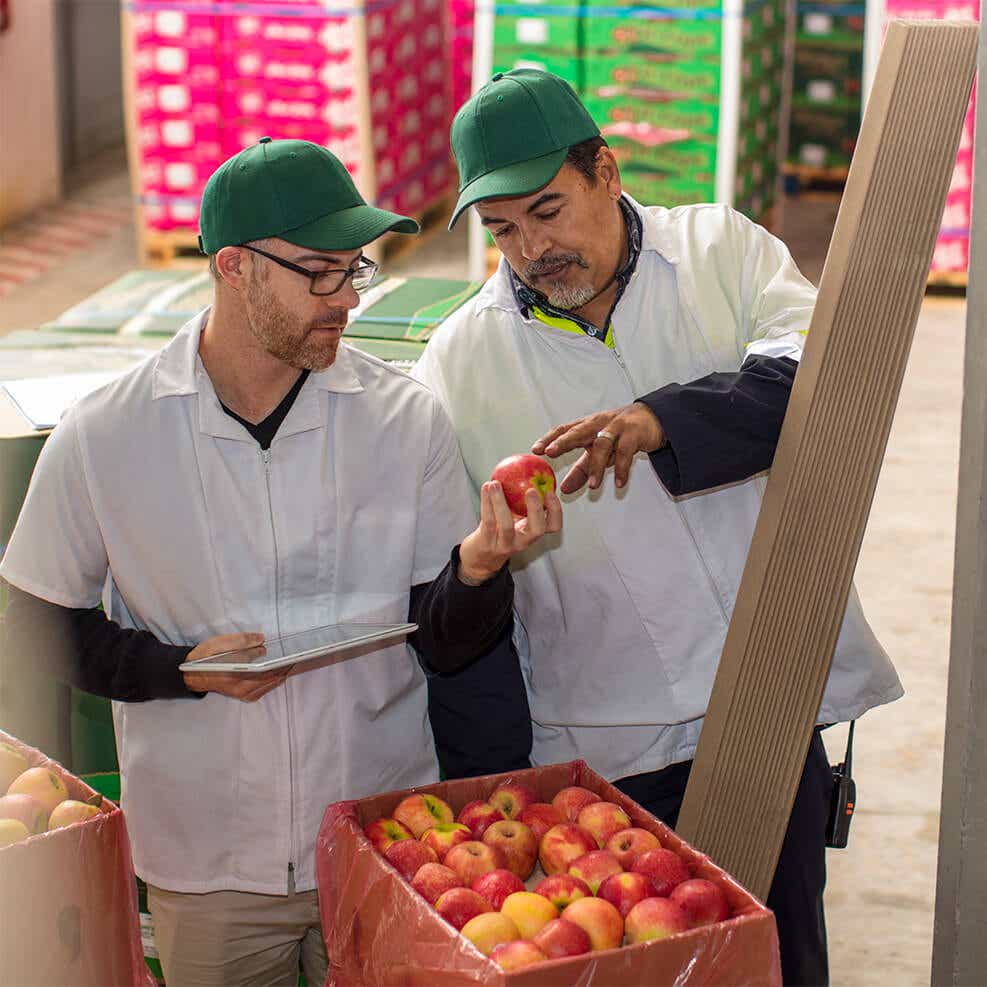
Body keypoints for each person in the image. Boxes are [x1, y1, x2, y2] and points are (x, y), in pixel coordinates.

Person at [0, 137, 562, 987]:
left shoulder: (399, 419)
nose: (342, 298)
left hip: (381, 834)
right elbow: (34, 624)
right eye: (317, 273)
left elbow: (445, 641)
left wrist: (480, 568)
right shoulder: (109, 434)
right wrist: (174, 669)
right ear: (233, 267)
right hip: (208, 860)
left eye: (353, 270)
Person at [412, 70, 903, 987]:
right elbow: (452, 579)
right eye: (502, 229)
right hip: (608, 737)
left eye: (548, 210)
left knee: (778, 954)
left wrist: (662, 418)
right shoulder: (462, 360)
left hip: (758, 698)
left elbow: (822, 374)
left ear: (605, 169)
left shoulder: (718, 252)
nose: (530, 248)